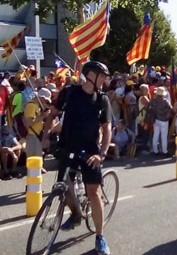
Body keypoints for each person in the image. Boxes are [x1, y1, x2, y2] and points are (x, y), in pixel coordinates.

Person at [48, 61, 113, 255]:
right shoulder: (70, 92)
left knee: (93, 193)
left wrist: (101, 153)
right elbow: (52, 114)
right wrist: (45, 137)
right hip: (68, 147)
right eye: (101, 76)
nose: (104, 80)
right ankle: (76, 214)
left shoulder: (102, 100)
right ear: (90, 75)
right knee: (62, 188)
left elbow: (107, 128)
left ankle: (100, 237)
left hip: (90, 151)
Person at [23, 88, 52, 173]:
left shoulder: (36, 106)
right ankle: (33, 181)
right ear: (41, 97)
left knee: (38, 158)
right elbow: (29, 122)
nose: (45, 102)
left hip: (36, 135)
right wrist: (42, 116)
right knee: (33, 160)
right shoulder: (31, 106)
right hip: (32, 135)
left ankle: (36, 181)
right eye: (45, 100)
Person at [150, 87, 173, 156]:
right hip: (164, 120)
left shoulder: (153, 100)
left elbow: (148, 107)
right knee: (164, 136)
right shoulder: (165, 101)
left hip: (156, 119)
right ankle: (164, 151)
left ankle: (155, 150)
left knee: (155, 135)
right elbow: (171, 108)